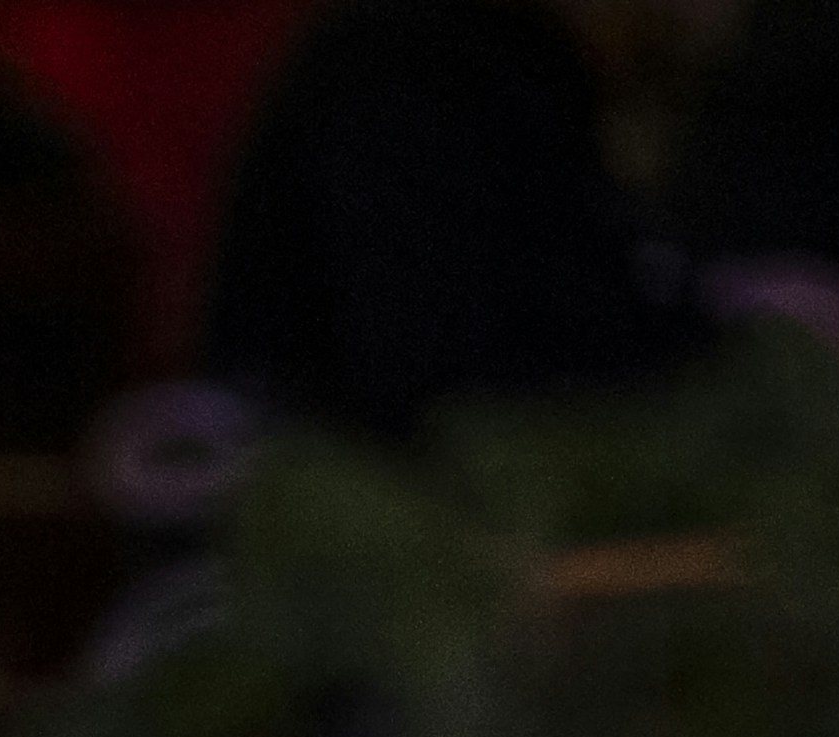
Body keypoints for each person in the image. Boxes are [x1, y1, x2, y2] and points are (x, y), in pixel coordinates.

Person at [202, 0, 703, 433]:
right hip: (371, 459)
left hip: (385, 440)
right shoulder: (416, 61)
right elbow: (431, 360)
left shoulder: (505, 55)